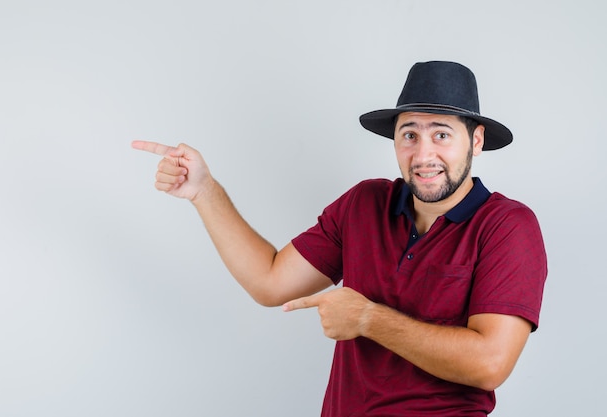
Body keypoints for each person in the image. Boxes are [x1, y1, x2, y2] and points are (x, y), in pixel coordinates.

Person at [132, 61, 547, 416]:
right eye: (409, 135)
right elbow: (269, 281)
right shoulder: (364, 203)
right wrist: (204, 191)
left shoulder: (507, 226)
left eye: (441, 135)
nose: (422, 155)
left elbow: (490, 363)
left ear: (475, 141)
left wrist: (368, 318)